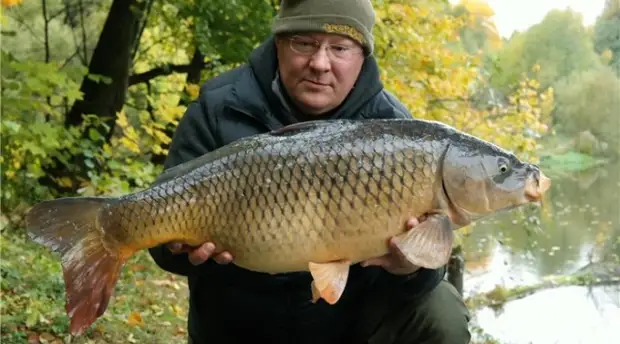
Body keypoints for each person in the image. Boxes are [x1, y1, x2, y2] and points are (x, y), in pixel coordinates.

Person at [149, 0, 471, 343]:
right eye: (303, 43)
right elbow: (159, 236)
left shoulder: (397, 132)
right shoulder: (218, 109)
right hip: (238, 322)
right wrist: (178, 248)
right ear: (279, 43)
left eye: (340, 48)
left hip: (349, 324)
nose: (319, 63)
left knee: (441, 309)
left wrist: (410, 269)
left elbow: (427, 273)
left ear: (363, 56)